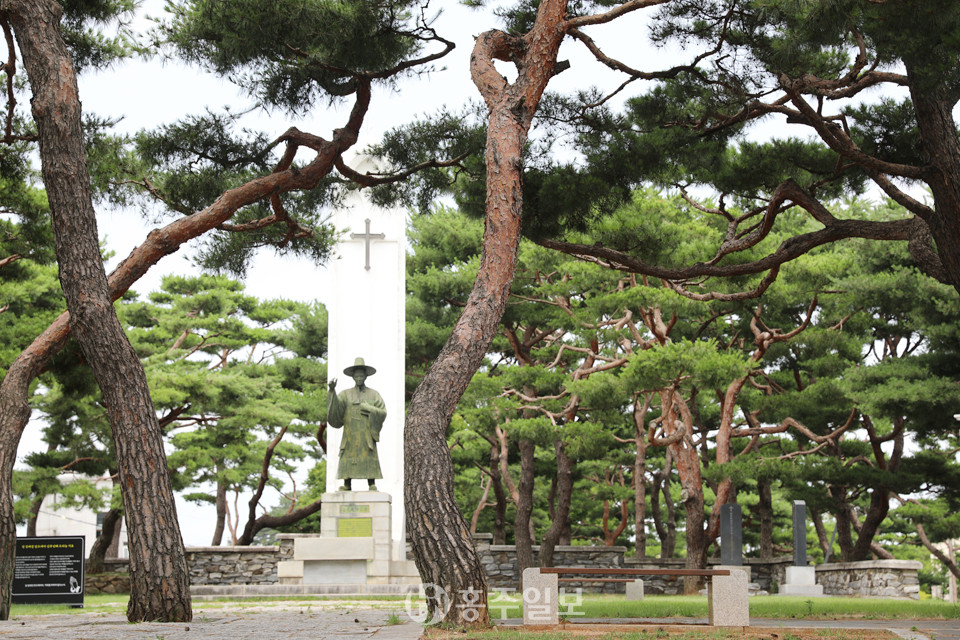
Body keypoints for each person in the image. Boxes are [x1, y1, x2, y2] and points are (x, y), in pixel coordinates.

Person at [327, 357, 386, 491]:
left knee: (369, 454)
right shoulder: (345, 394)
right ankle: (347, 483)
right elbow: (336, 409)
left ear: (366, 376)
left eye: (361, 376)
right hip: (350, 432)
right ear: (353, 377)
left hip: (366, 432)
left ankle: (371, 483)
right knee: (348, 454)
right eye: (357, 376)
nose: (359, 378)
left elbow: (382, 411)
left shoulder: (373, 394)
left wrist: (369, 408)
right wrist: (332, 392)